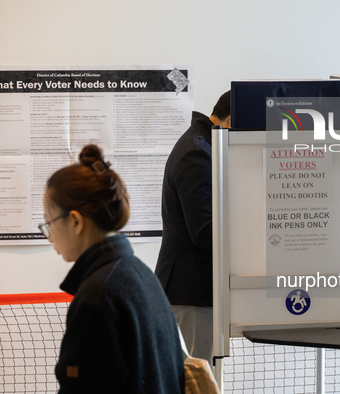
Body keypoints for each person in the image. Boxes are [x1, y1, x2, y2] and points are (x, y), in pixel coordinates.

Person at [41, 144, 184, 394]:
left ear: (75, 221)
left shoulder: (96, 297)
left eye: (49, 223)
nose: (50, 237)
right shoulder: (140, 274)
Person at [155, 91, 231, 363]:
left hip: (192, 291)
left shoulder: (202, 144)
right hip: (192, 292)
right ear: (231, 121)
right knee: (197, 384)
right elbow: (204, 231)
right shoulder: (197, 153)